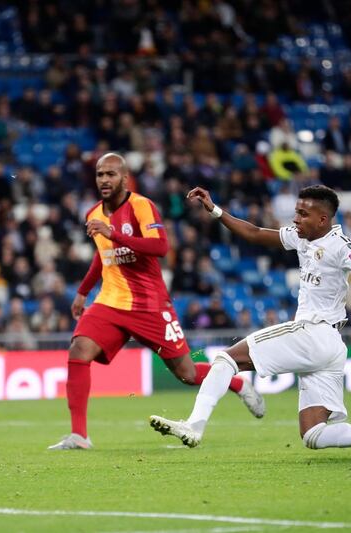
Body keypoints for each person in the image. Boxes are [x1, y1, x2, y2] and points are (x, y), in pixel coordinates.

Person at [150, 185, 351, 459]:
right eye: (296, 212)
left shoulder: (341, 246)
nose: (295, 219)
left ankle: (194, 426)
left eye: (303, 214)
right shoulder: (301, 237)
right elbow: (254, 233)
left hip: (313, 332)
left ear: (322, 220)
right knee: (313, 434)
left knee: (226, 360)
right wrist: (215, 209)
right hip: (330, 347)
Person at [48, 153, 264, 450]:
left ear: (124, 178)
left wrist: (114, 234)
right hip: (110, 301)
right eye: (100, 175)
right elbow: (103, 255)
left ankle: (236, 382)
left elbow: (160, 247)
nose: (104, 180)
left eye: (111, 174)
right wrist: (83, 292)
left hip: (149, 305)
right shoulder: (92, 214)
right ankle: (79, 435)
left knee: (187, 374)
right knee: (79, 351)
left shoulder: (142, 206)